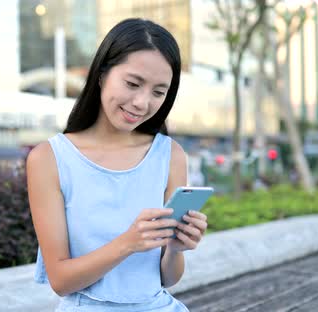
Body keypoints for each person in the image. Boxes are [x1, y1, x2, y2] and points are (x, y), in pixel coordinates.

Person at [26, 18, 208, 311]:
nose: (141, 102)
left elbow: (167, 278)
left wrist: (175, 249)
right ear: (101, 74)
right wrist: (128, 243)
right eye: (133, 84)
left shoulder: (170, 155)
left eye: (158, 92)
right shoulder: (49, 159)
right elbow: (61, 280)